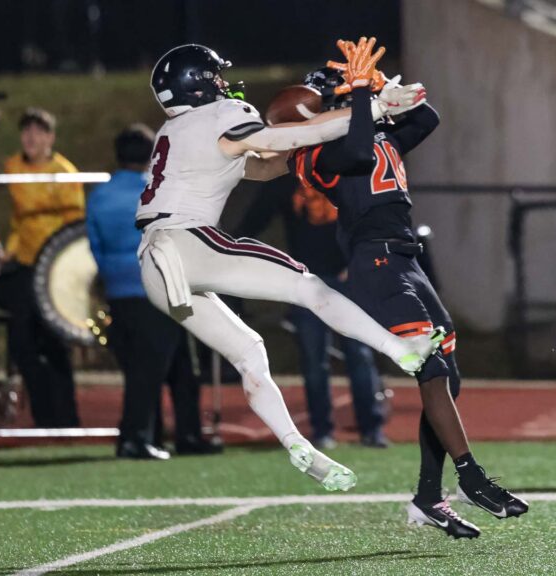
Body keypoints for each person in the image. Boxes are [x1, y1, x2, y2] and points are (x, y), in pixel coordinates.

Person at [135, 42, 438, 492]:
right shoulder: (218, 117)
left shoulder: (173, 132)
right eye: (215, 77)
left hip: (153, 265)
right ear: (198, 86)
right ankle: (402, 351)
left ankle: (298, 444)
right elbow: (279, 140)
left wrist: (320, 130)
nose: (223, 84)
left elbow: (264, 166)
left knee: (250, 352)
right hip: (187, 241)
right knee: (309, 287)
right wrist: (370, 107)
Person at [287, 57, 528, 539]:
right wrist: (360, 97)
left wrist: (379, 88)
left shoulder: (378, 133)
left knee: (447, 376)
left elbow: (427, 117)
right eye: (345, 94)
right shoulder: (317, 150)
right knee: (431, 369)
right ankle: (470, 475)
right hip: (376, 264)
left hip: (407, 260)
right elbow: (353, 150)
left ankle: (427, 497)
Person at [87, 123, 220, 459]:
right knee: (153, 370)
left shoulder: (100, 194)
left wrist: (110, 278)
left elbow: (94, 244)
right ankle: (134, 438)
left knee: (170, 365)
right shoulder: (158, 188)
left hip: (120, 291)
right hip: (161, 285)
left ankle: (182, 436)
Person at [234, 174, 389, 450]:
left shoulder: (348, 177)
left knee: (359, 356)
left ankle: (371, 429)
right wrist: (226, 246)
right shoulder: (285, 181)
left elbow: (370, 224)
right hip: (305, 284)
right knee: (314, 360)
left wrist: (358, 264)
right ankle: (322, 431)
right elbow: (255, 220)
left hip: (347, 282)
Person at [0, 108, 84, 428]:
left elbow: (73, 226)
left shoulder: (65, 172)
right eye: (26, 132)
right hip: (25, 264)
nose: (30, 138)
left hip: (55, 268)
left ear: (50, 138)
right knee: (22, 343)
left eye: (38, 132)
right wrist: (9, 252)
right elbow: (20, 219)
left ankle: (67, 419)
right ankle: (44, 418)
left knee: (55, 344)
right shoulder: (13, 167)